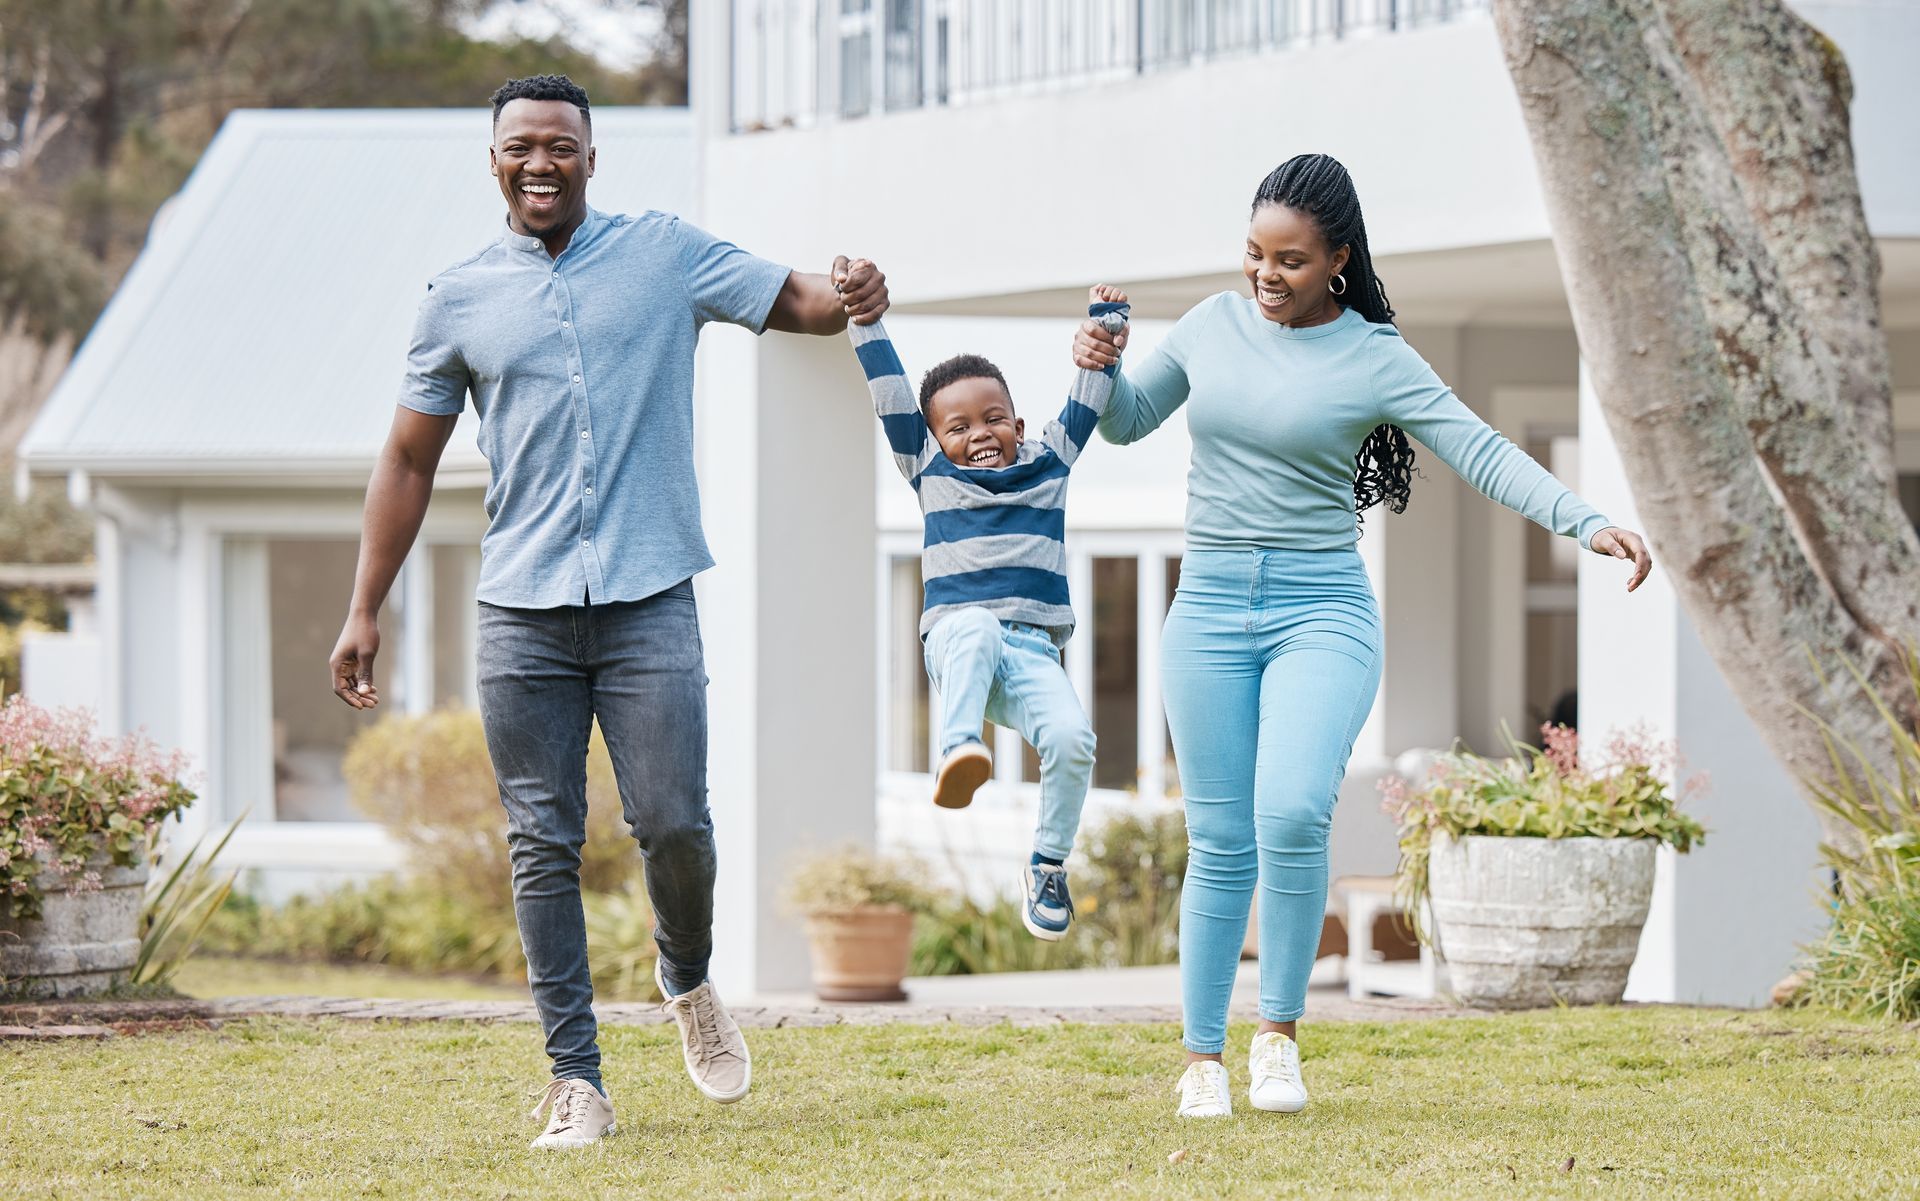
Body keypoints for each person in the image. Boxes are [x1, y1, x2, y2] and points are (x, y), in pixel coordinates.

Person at [325, 75, 888, 1149]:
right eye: (520, 146)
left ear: (592, 157)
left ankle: (686, 977)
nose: (541, 162)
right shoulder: (456, 297)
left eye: (562, 146)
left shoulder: (664, 254)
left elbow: (798, 301)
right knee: (542, 843)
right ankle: (576, 1078)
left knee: (675, 822)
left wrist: (854, 287)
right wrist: (365, 606)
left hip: (649, 600)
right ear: (494, 160)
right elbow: (406, 456)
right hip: (520, 614)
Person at [1072, 153, 1652, 1120]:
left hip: (1320, 610)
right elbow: (1129, 425)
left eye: (1290, 260)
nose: (1266, 274)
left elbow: (1481, 447)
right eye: (1255, 253)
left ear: (1337, 259)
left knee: (1293, 812)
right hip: (1210, 609)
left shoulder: (1376, 356)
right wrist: (1102, 366)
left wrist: (1583, 520)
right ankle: (1202, 1057)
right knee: (1219, 837)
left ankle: (1279, 1040)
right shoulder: (1212, 325)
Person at [844, 273, 1130, 940]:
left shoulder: (1049, 462)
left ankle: (1048, 863)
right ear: (932, 438)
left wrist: (1108, 324)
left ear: (1019, 424)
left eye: (993, 418)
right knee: (972, 623)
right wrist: (863, 318)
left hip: (1033, 652)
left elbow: (1089, 391)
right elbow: (888, 389)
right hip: (959, 647)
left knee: (1074, 739)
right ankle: (959, 748)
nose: (979, 433)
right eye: (958, 425)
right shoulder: (929, 471)